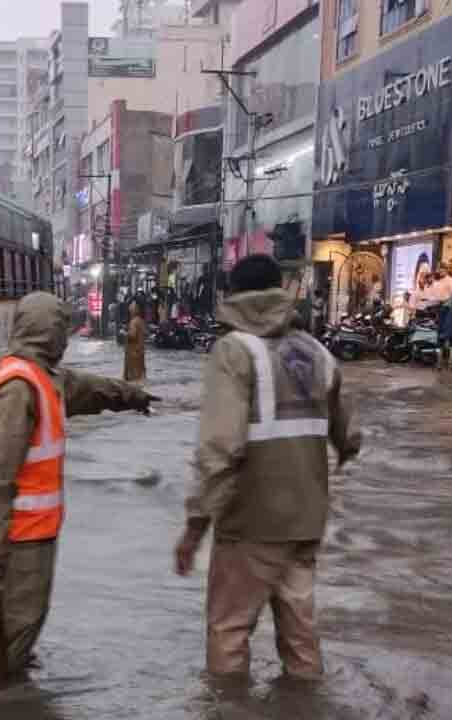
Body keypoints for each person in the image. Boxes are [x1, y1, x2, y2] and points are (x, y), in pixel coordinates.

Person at [174, 254, 360, 679]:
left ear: (234, 296)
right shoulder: (317, 352)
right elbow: (349, 436)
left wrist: (194, 527)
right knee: (301, 639)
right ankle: (304, 705)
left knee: (229, 634)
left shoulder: (233, 351)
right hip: (306, 524)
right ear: (281, 291)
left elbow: (220, 449)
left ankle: (227, 708)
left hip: (251, 526)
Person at [0, 292, 156, 677]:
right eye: (60, 330)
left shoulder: (44, 377)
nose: (66, 339)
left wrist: (134, 397)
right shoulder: (19, 385)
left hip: (30, 532)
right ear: (46, 332)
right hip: (15, 534)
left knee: (14, 622)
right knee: (16, 624)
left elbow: (90, 389)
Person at [124, 301, 148, 383]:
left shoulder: (133, 322)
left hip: (133, 353)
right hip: (141, 351)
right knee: (141, 374)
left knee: (133, 378)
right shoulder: (141, 321)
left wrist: (125, 333)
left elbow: (133, 335)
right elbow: (146, 333)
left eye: (130, 309)